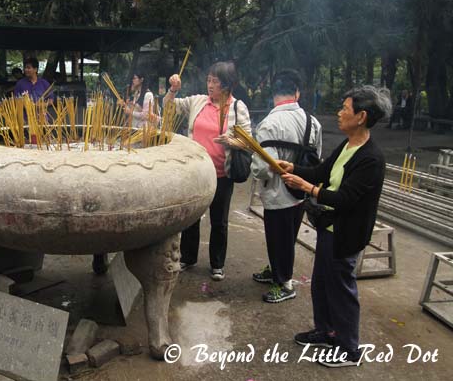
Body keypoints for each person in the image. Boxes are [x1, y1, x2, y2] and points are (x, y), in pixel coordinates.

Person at [277, 85, 391, 367]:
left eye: (345, 109)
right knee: (322, 283)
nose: (339, 113)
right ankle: (326, 331)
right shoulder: (348, 144)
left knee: (341, 287)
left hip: (347, 232)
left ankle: (349, 349)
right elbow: (321, 172)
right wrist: (294, 169)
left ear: (361, 116)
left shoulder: (371, 158)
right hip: (328, 228)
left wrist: (308, 188)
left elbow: (346, 198)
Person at [164, 61, 251, 281]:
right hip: (196, 172)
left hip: (222, 174)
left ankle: (217, 264)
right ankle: (188, 257)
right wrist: (173, 90)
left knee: (219, 220)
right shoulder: (199, 102)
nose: (210, 85)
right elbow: (169, 107)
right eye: (209, 80)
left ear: (228, 85)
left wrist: (230, 141)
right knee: (192, 216)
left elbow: (248, 142)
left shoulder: (237, 108)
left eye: (215, 81)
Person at [248, 69, 322, 303]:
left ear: (273, 94)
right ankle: (276, 270)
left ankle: (285, 284)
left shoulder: (268, 124)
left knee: (277, 237)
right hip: (300, 189)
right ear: (297, 93)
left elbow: (261, 168)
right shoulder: (313, 121)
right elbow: (316, 158)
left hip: (278, 193)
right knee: (287, 235)